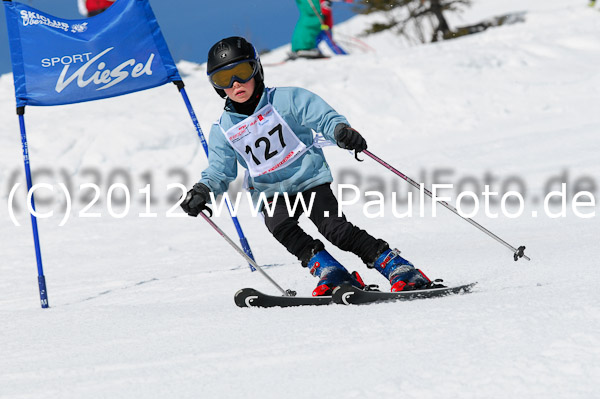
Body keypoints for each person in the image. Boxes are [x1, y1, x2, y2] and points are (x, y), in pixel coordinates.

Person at [181, 37, 442, 296]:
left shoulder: (286, 99)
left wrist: (340, 132)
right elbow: (220, 171)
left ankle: (399, 267)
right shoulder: (223, 130)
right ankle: (332, 271)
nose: (234, 83)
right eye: (222, 79)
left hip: (309, 180)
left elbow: (324, 118)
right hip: (269, 192)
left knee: (336, 230)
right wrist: (203, 190)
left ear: (256, 69)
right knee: (283, 229)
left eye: (241, 72)